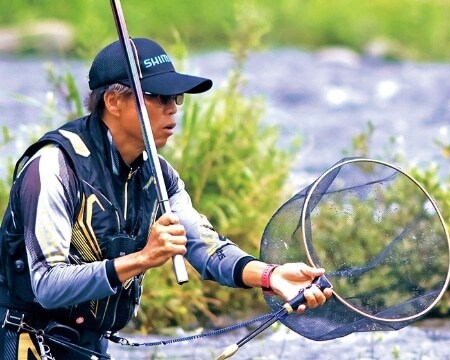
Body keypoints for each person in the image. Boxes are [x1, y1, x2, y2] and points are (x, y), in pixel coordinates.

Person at [0, 38, 332, 359]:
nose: (173, 109)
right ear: (113, 102)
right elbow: (47, 284)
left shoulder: (159, 176)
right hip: (21, 340)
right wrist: (143, 259)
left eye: (178, 99)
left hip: (86, 344)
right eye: (159, 97)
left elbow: (205, 248)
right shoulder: (54, 167)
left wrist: (270, 276)